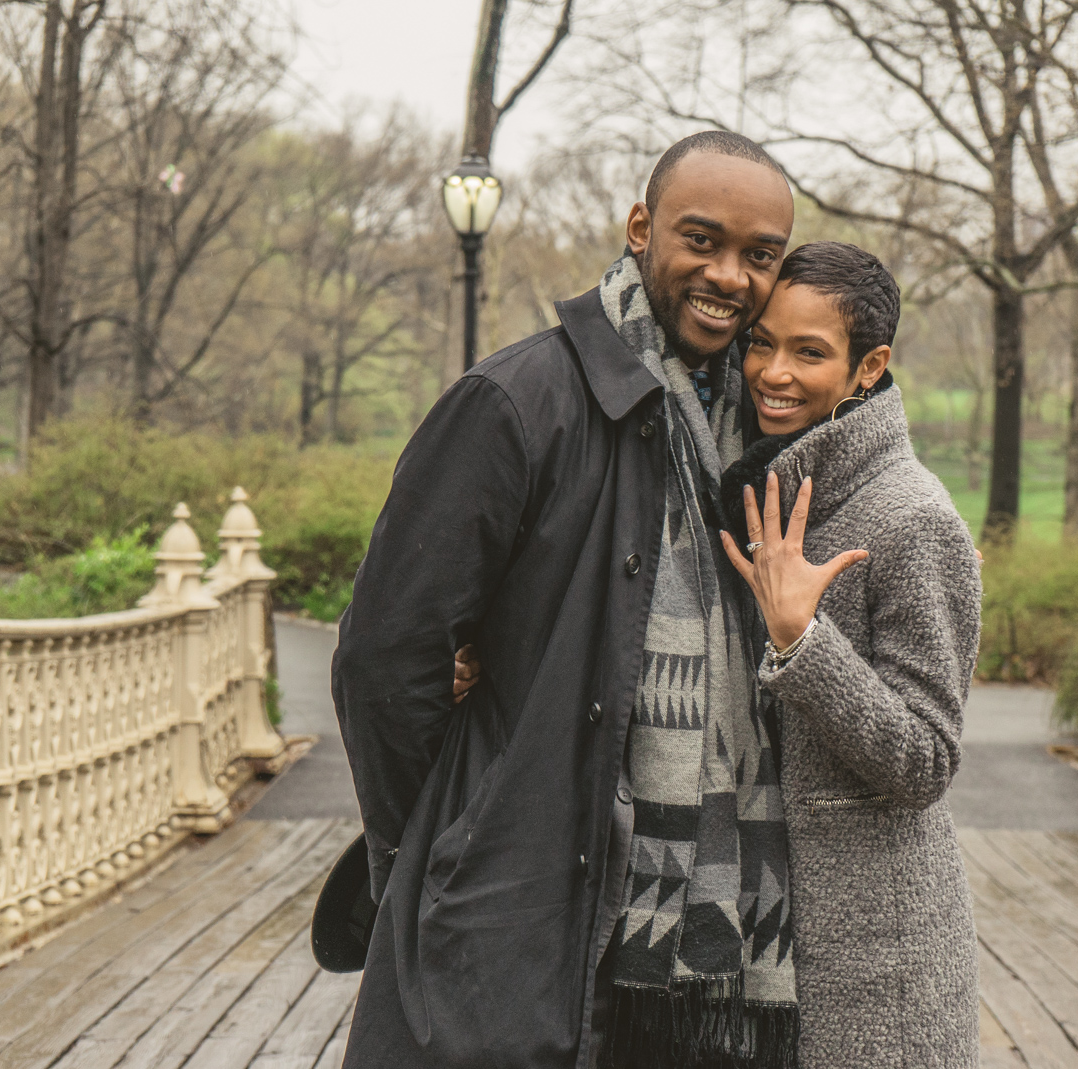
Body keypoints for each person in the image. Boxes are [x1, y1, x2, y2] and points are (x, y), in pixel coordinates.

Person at [331, 131, 800, 1069]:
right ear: (639, 229)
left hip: (701, 949)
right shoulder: (518, 401)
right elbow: (386, 657)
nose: (728, 275)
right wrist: (438, 837)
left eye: (759, 255)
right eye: (700, 240)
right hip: (520, 907)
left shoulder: (758, 429)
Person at [717, 241, 983, 1069]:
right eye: (761, 342)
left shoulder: (912, 518)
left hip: (880, 967)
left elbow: (926, 760)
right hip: (763, 939)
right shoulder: (759, 487)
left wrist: (805, 641)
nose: (773, 372)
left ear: (870, 366)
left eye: (809, 351)